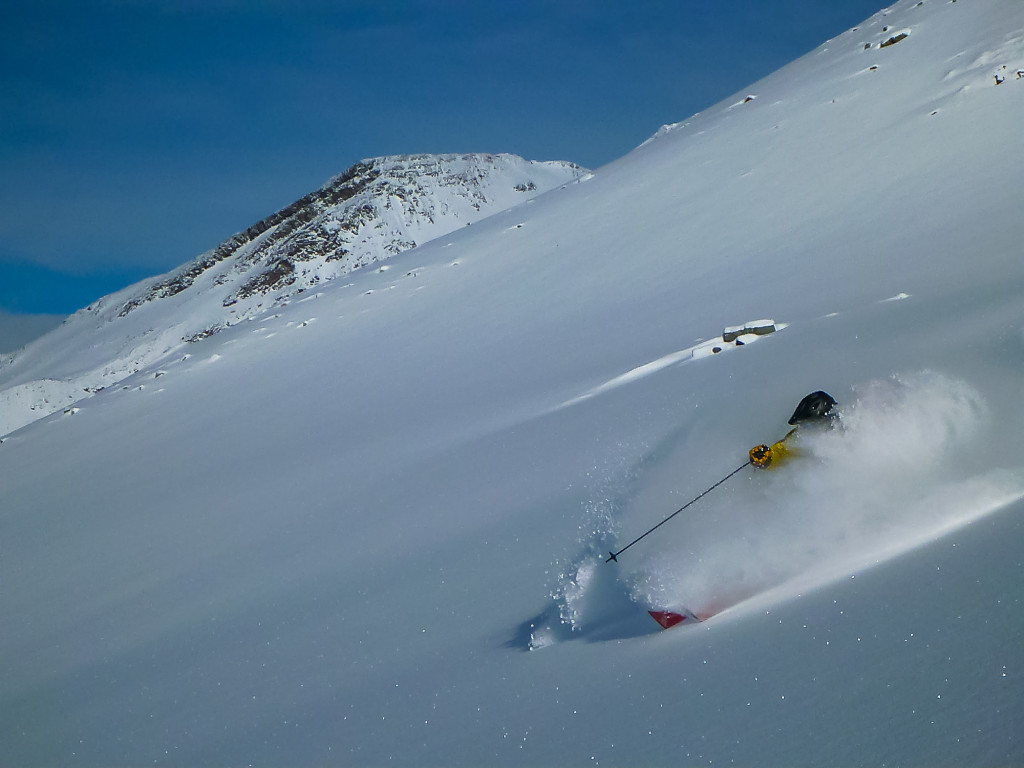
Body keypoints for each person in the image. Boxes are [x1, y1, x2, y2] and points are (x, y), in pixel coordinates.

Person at [749, 391, 837, 469]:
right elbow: (781, 451)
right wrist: (767, 460)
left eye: (809, 425)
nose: (804, 429)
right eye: (803, 425)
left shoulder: (845, 431)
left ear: (824, 420)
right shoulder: (800, 439)